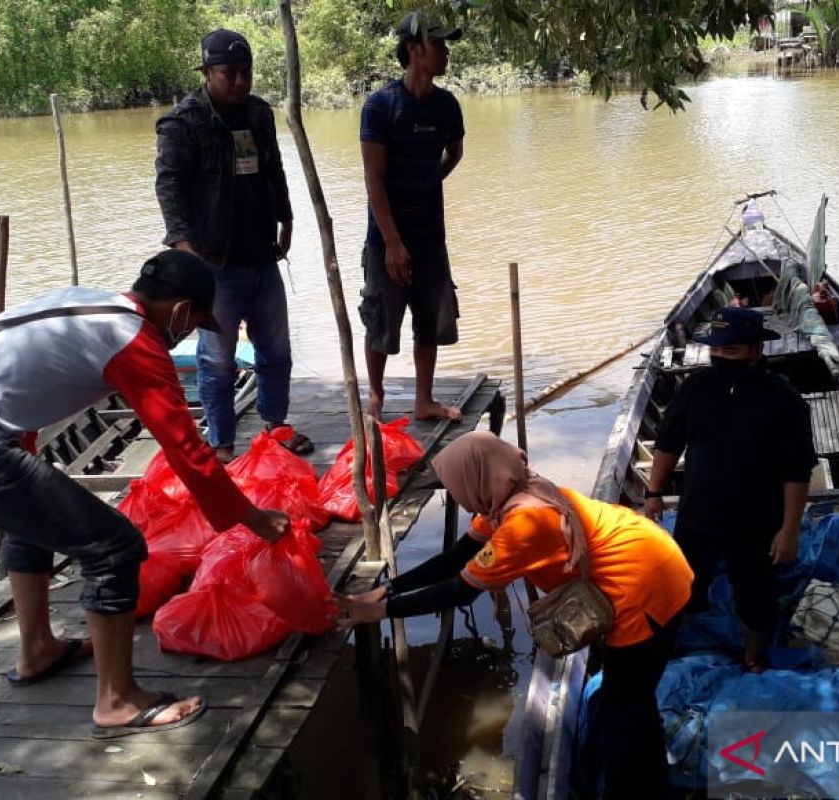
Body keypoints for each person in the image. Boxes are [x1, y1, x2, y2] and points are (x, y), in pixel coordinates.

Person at [0, 250, 290, 737]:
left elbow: (16, 377)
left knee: (28, 519)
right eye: (195, 325)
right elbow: (189, 452)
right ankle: (117, 702)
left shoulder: (89, 301)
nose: (188, 336)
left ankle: (38, 650)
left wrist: (26, 454)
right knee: (115, 547)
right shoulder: (136, 342)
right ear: (183, 311)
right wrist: (253, 519)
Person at [337, 431, 692, 798]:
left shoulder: (522, 524)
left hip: (649, 586)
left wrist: (379, 611)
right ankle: (645, 773)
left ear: (474, 478)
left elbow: (462, 589)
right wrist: (391, 587)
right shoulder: (512, 494)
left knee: (625, 712)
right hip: (649, 554)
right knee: (632, 701)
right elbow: (456, 558)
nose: (456, 495)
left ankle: (638, 788)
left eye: (454, 484)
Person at [155, 28, 313, 463]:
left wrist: (286, 215)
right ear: (207, 72)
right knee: (217, 358)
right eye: (230, 73)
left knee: (276, 349)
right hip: (212, 261)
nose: (240, 81)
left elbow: (274, 168)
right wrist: (182, 247)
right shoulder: (183, 123)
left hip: (261, 253)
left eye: (246, 72)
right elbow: (169, 186)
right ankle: (222, 442)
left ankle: (276, 425)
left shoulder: (259, 114)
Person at [643, 307, 815, 673]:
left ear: (756, 350)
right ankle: (674, 640)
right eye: (715, 350)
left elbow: (796, 471)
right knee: (682, 582)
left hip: (756, 519)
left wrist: (789, 531)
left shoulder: (784, 400)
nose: (720, 357)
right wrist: (654, 492)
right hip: (698, 514)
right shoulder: (695, 388)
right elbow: (668, 443)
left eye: (731, 351)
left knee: (756, 592)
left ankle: (754, 654)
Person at [359, 12, 466, 422]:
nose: (446, 51)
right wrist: (391, 241)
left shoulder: (446, 105)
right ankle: (375, 397)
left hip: (429, 235)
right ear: (414, 49)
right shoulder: (381, 106)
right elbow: (374, 177)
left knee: (429, 317)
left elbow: (454, 153)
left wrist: (427, 180)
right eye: (438, 44)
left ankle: (424, 401)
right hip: (387, 235)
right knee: (382, 319)